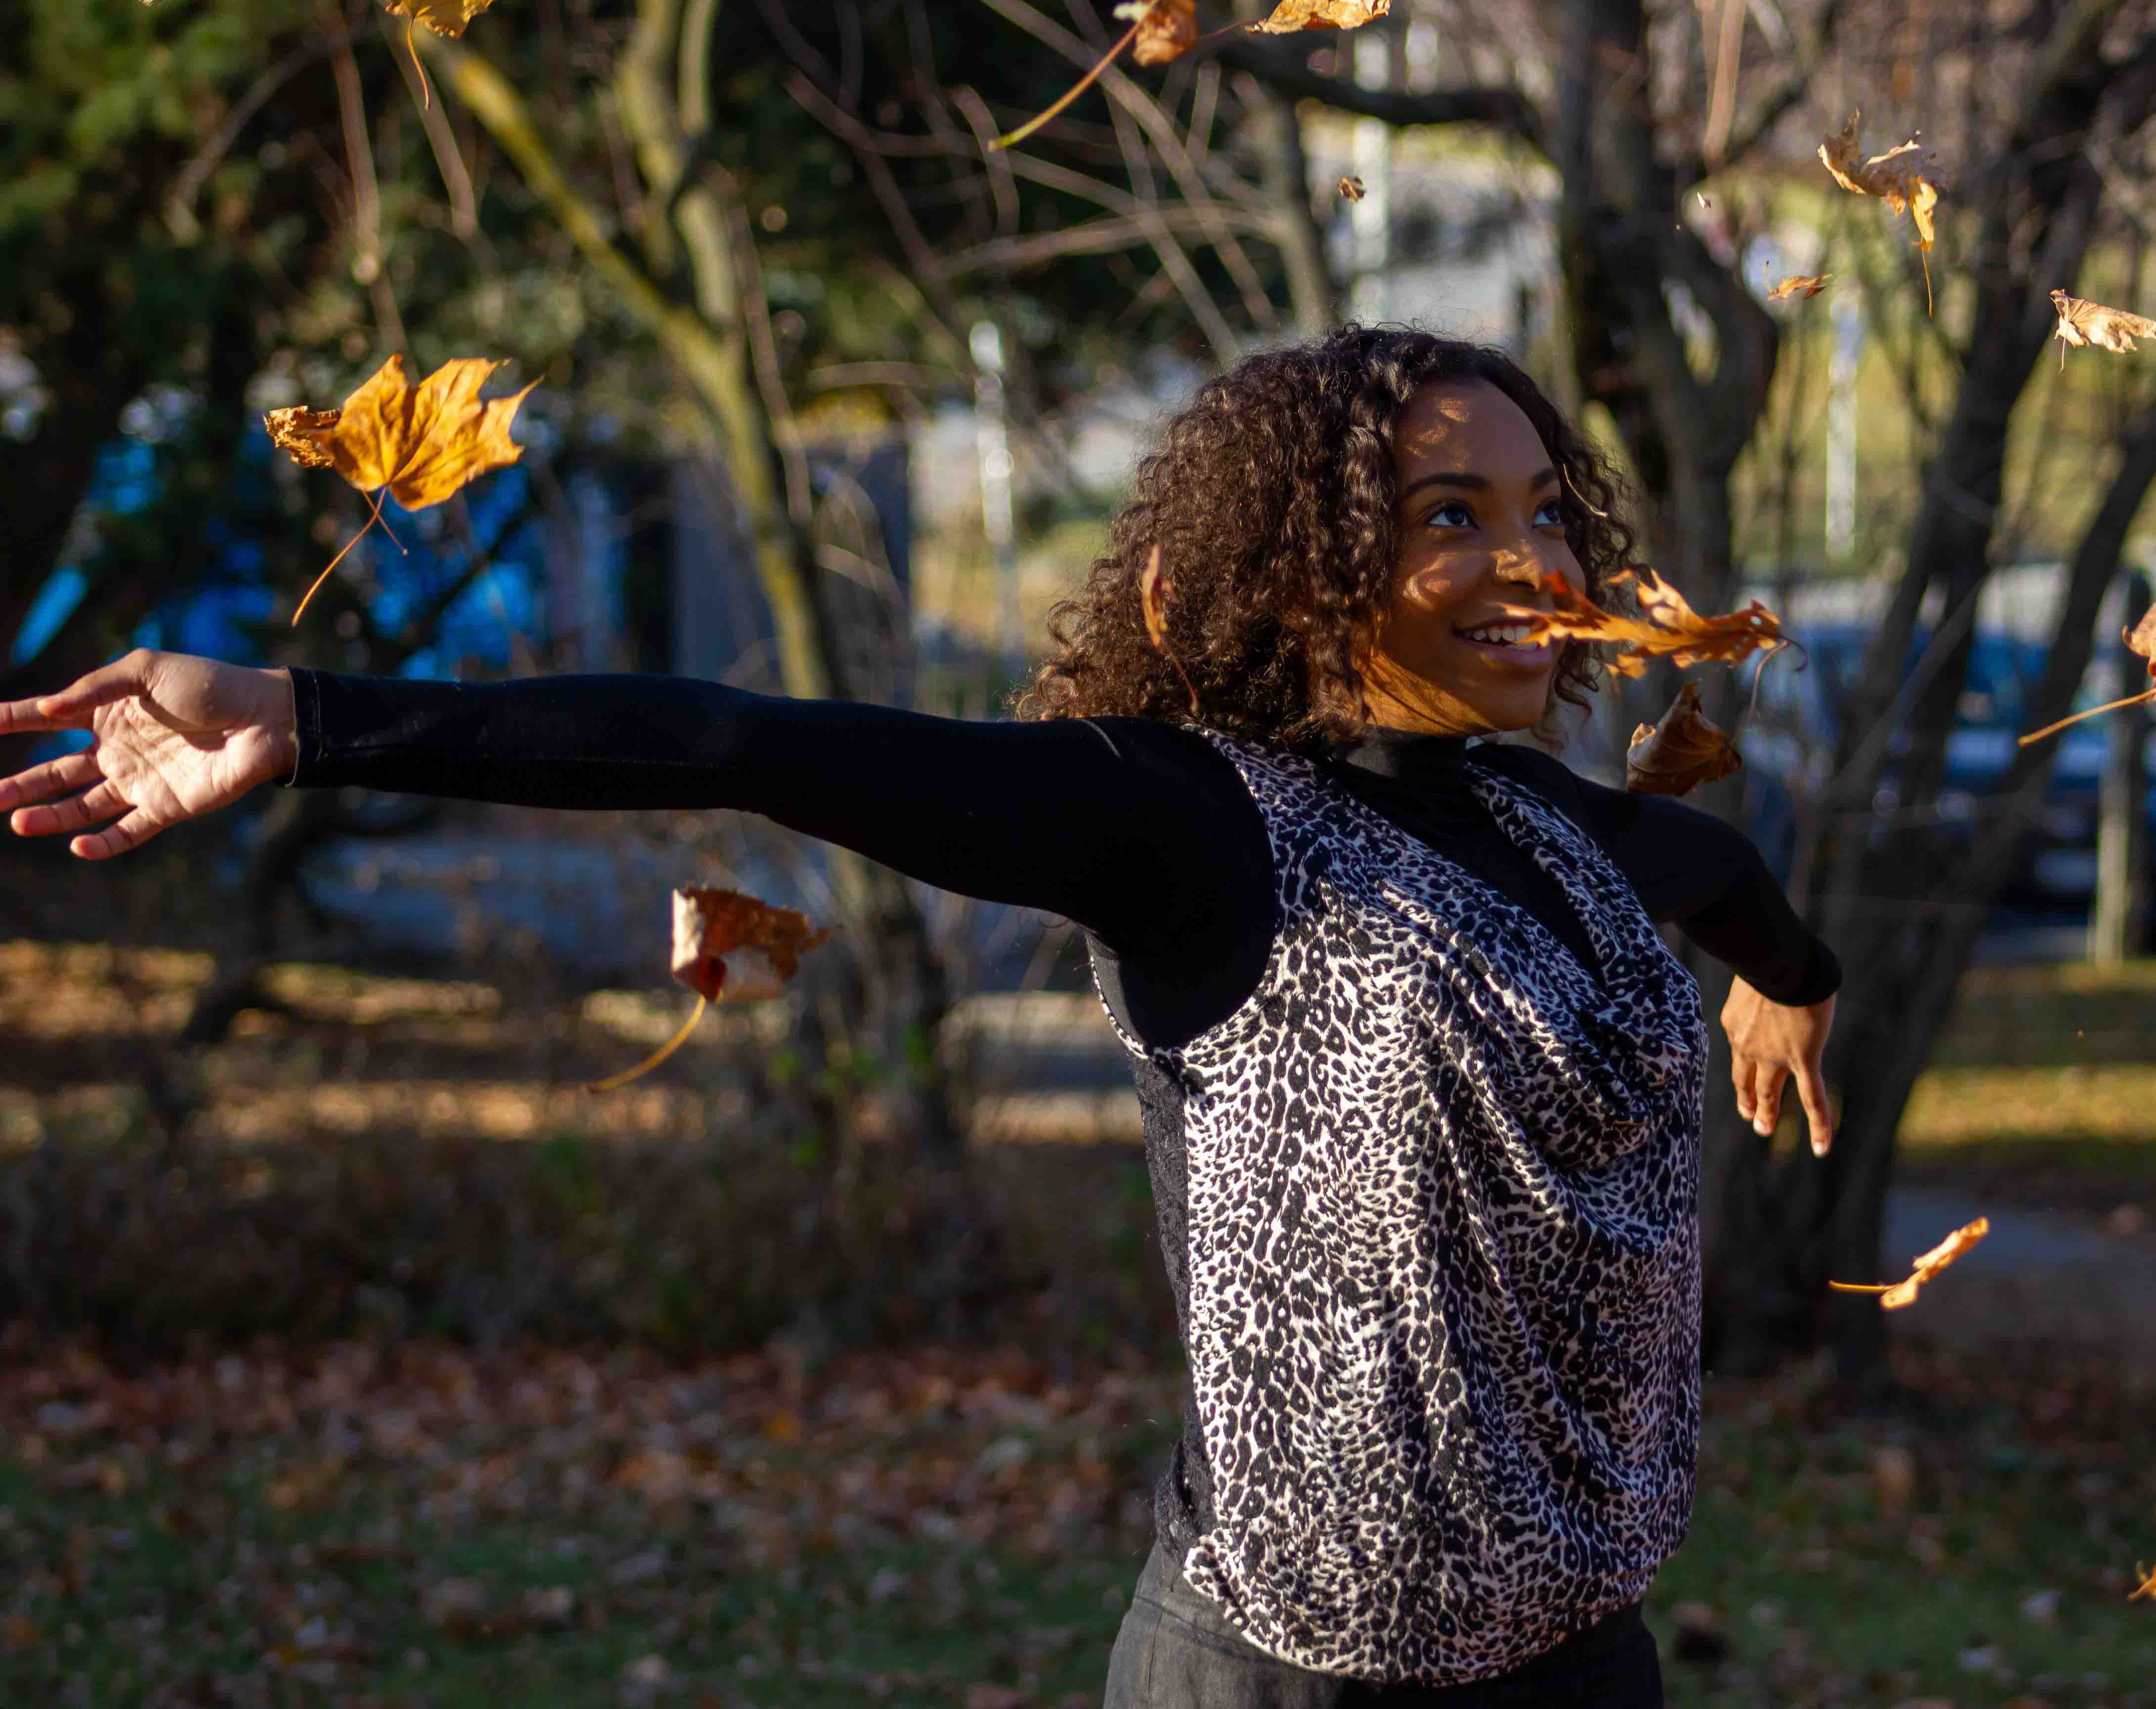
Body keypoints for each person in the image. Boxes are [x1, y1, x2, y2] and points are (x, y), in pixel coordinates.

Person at [1, 326, 1837, 1705]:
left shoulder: (1561, 828)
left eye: (1543, 513)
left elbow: (1724, 871)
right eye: (1452, 517)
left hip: (1583, 1661)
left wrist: (1791, 984)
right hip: (1297, 1675)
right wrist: (314, 721)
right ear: (1304, 566)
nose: (1534, 564)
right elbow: (745, 743)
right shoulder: (1191, 826)